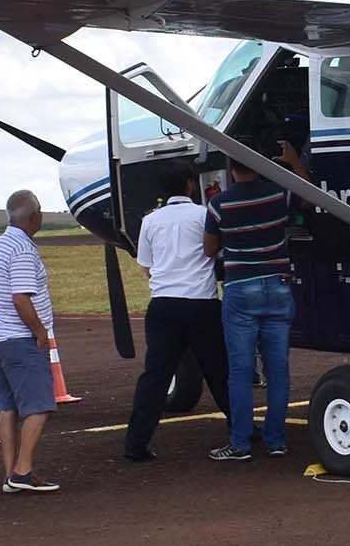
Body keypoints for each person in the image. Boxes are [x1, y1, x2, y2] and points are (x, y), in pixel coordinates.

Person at [204, 142, 307, 461]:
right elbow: (308, 194)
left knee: (240, 370)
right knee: (278, 369)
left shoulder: (219, 204)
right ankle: (276, 441)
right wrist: (292, 162)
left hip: (240, 290)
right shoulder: (279, 195)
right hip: (278, 285)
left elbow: (209, 250)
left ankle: (240, 443)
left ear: (231, 168)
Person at [122, 164, 229, 462]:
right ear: (190, 184)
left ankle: (136, 443)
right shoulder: (203, 214)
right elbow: (216, 252)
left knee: (155, 377)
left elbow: (146, 264)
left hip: (163, 304)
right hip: (201, 302)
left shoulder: (150, 221)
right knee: (219, 371)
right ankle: (242, 429)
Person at [0, 189, 60, 492]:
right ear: (35, 217)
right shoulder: (23, 251)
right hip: (18, 339)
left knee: (7, 405)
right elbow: (21, 298)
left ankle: (10, 473)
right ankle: (23, 471)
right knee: (39, 405)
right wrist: (39, 331)